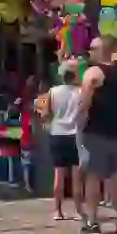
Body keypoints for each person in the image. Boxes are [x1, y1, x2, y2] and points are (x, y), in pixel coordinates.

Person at [76, 36, 117, 234]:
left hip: (95, 132)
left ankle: (93, 221)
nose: (89, 51)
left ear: (102, 50)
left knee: (94, 177)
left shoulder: (92, 73)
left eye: (92, 48)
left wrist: (76, 124)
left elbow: (84, 103)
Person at [42, 60, 84, 221]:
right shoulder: (81, 92)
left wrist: (48, 124)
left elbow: (45, 114)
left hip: (57, 134)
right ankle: (79, 210)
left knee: (58, 175)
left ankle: (57, 210)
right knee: (77, 177)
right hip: (76, 135)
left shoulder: (53, 91)